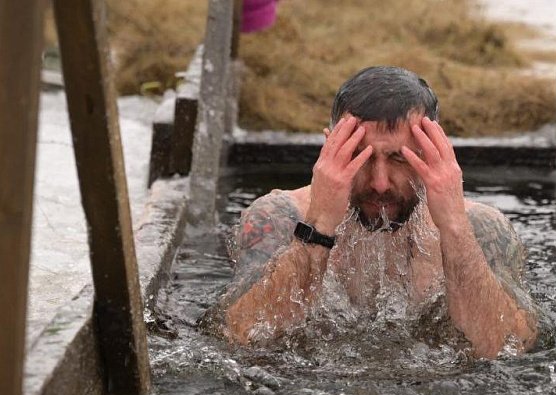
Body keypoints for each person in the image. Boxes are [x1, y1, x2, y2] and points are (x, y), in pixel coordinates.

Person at [220, 66, 538, 358]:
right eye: (361, 156)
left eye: (399, 159)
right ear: (331, 149)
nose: (380, 183)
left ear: (433, 153)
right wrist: (319, 225)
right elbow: (241, 336)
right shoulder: (279, 217)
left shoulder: (481, 226)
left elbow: (506, 347)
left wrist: (454, 225)